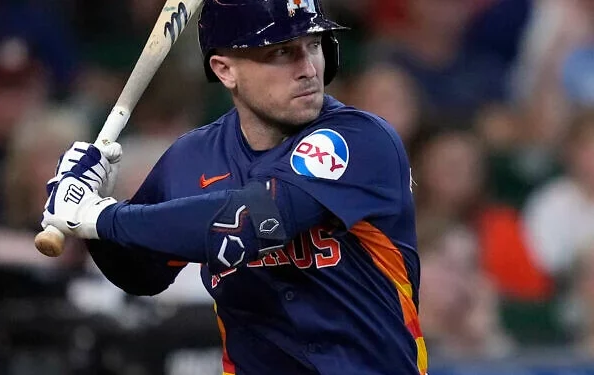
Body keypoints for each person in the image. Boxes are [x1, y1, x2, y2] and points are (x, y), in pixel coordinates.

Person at [41, 0, 428, 373]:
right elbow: (141, 274)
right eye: (281, 52)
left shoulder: (361, 139)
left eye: (313, 46)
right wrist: (91, 204)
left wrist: (99, 216)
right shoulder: (191, 158)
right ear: (225, 70)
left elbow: (254, 221)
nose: (308, 68)